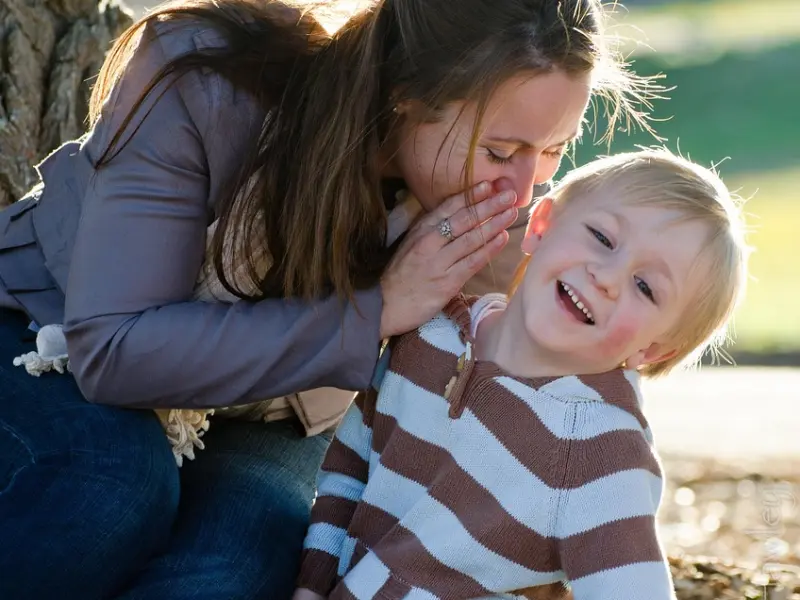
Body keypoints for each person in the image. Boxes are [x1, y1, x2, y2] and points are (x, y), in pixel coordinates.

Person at [0, 0, 655, 598]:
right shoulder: (210, 84)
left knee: (240, 560)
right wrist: (378, 310)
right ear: (406, 99)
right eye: (500, 151)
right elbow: (113, 348)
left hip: (276, 412)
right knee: (109, 490)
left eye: (550, 154)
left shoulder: (497, 215)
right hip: (47, 336)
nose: (521, 190)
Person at [293, 149, 749, 600]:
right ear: (541, 225)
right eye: (603, 238)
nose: (607, 277)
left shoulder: (599, 450)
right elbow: (348, 469)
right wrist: (313, 585)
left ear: (651, 349)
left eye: (645, 287)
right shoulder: (430, 335)